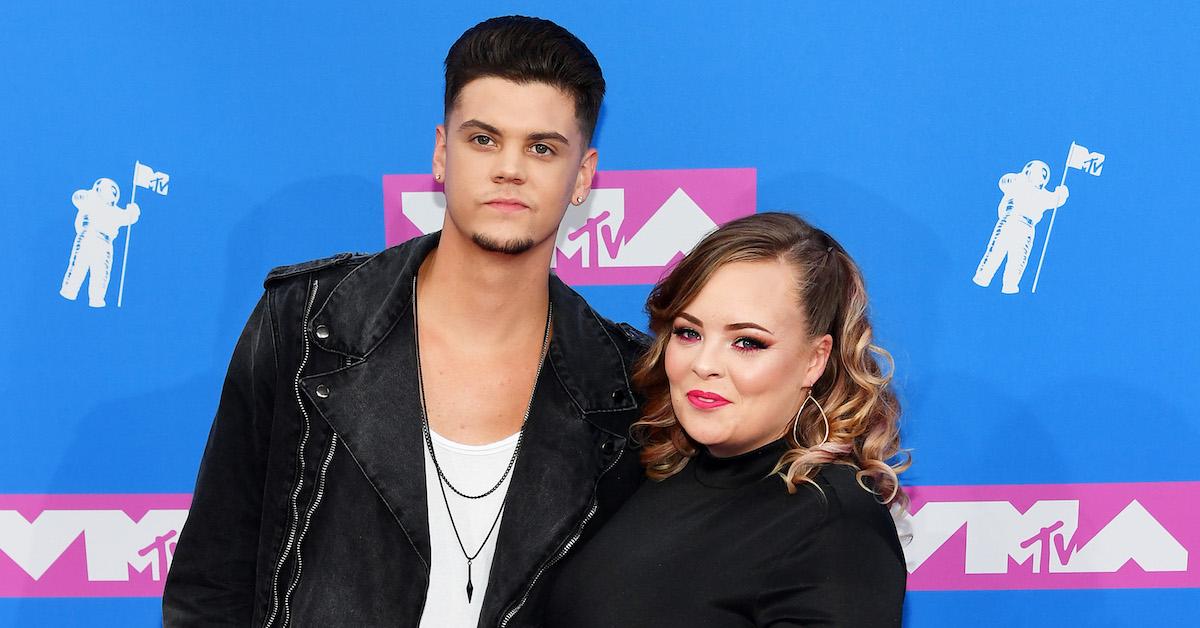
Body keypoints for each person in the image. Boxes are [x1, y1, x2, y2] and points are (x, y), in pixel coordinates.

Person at [162, 16, 648, 628]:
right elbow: (210, 583)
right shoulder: (307, 322)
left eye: (542, 147)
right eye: (483, 139)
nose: (510, 169)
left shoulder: (628, 384)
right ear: (442, 154)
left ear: (583, 176)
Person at [546, 212, 910, 627]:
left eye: (747, 342)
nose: (704, 364)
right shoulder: (652, 474)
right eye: (689, 333)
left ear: (815, 360)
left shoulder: (836, 523)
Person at [59, 177, 140, 308]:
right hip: (87, 236)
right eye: (109, 188)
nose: (112, 192)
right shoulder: (90, 200)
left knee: (101, 273)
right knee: (78, 266)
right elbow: (77, 197)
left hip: (105, 243)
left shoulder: (116, 212)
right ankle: (69, 291)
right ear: (99, 188)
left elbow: (128, 218)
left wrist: (133, 211)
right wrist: (89, 195)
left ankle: (97, 299)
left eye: (114, 191)